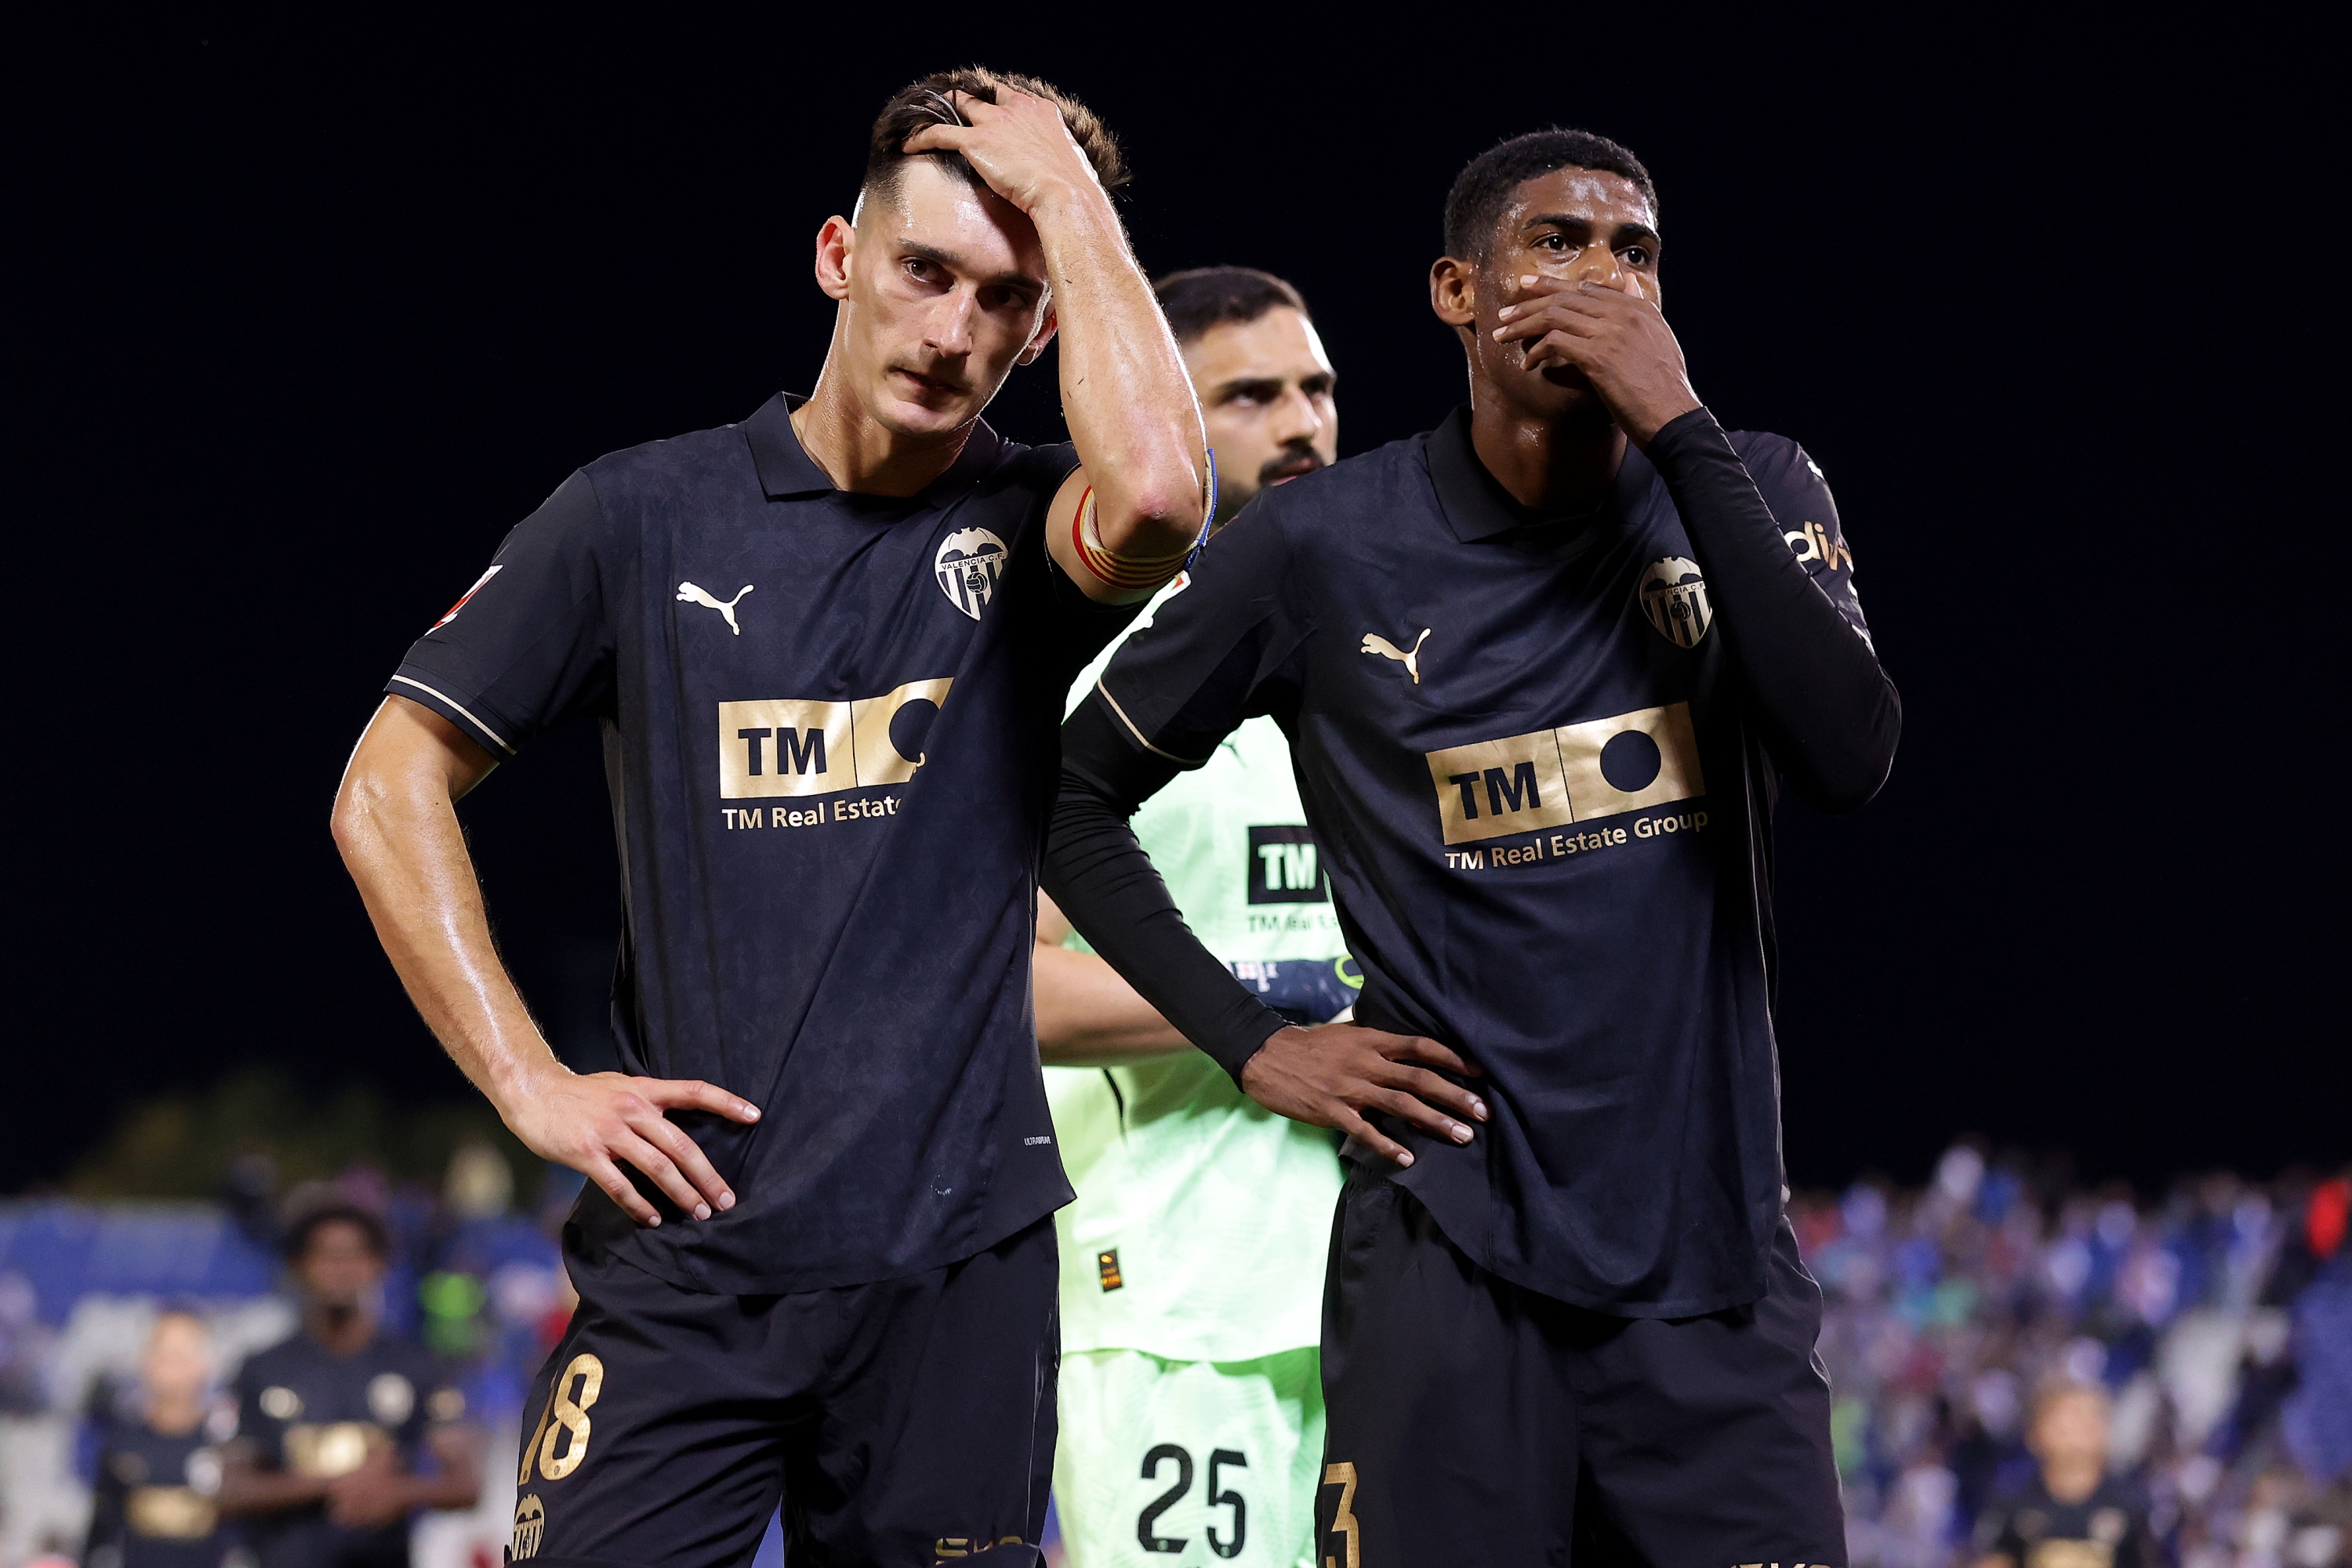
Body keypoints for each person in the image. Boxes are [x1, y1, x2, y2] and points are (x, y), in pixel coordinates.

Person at [328, 67, 1207, 1567]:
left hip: (955, 1272)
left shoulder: (1029, 525)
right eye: (924, 270)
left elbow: (1168, 495)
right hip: (690, 1268)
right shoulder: (638, 514)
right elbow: (386, 781)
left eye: (1005, 299)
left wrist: (1067, 195)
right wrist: (528, 1082)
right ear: (837, 257)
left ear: (1043, 326)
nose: (951, 331)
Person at [1042, 127, 1900, 1566]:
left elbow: (1849, 755)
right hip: (1447, 1278)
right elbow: (1063, 792)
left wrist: (1680, 430)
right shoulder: (1324, 548)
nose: (1602, 279)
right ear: (1457, 293)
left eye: (1636, 253)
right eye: (1556, 243)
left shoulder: (1749, 483)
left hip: (1713, 1284)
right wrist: (1252, 1038)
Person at [1036, 267, 1341, 1568]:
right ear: (1167, 424)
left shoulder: (1397, 678)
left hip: (1393, 1300)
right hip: (1175, 1317)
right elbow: (1013, 990)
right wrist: (1275, 997)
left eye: (1319, 389)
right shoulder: (1091, 691)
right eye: (1252, 396)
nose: (1304, 425)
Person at [218, 1203, 480, 1568]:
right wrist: (331, 1484)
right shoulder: (262, 1369)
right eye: (324, 1255)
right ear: (298, 1267)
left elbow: (466, 1485)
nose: (340, 1269)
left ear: (379, 1265)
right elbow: (229, 1491)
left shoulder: (414, 1364)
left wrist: (398, 1493)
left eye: (353, 1255)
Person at [83, 1309, 245, 1568]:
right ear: (143, 1360)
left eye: (185, 1350)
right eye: (162, 1348)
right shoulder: (120, 1443)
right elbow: (100, 1533)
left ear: (208, 1363)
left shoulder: (230, 1446)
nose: (172, 1359)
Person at [1973, 1382, 2156, 1568]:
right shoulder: (2012, 1501)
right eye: (2065, 1418)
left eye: (2089, 1418)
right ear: (2035, 1432)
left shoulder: (2132, 1504)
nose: (2076, 1428)